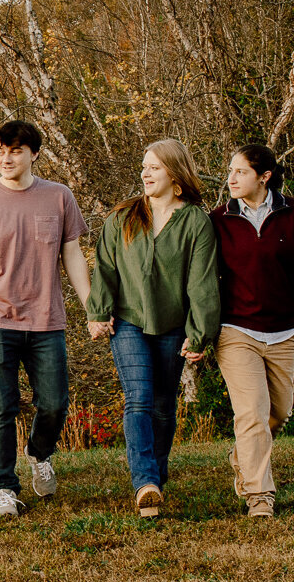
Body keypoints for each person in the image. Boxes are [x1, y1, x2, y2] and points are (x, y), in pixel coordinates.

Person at [0, 120, 91, 517]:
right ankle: (3, 488)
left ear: (33, 153)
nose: (6, 158)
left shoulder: (59, 197)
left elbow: (72, 256)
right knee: (2, 405)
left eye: (14, 150)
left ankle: (39, 452)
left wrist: (91, 308)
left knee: (54, 403)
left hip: (47, 319)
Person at [86, 139, 219, 518]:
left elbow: (202, 283)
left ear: (175, 175)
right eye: (144, 166)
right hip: (128, 321)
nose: (145, 173)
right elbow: (106, 268)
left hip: (173, 326)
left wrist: (199, 331)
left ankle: (156, 480)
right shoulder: (123, 217)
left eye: (155, 167)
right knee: (140, 399)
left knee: (163, 406)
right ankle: (144, 481)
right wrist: (99, 312)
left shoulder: (195, 222)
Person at [211, 143, 294, 518]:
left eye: (241, 172)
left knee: (279, 413)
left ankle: (243, 459)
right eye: (230, 171)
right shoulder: (219, 220)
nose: (231, 178)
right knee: (252, 413)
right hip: (235, 331)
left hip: (283, 332)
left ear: (264, 177)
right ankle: (260, 496)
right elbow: (202, 281)